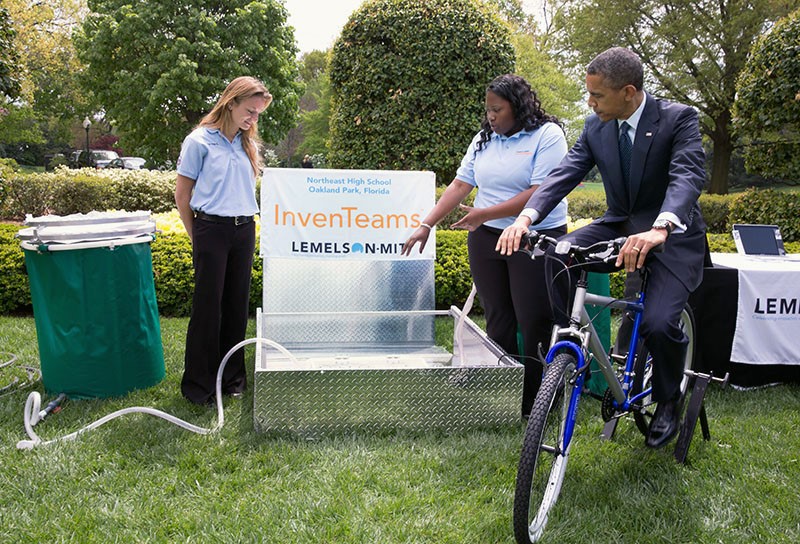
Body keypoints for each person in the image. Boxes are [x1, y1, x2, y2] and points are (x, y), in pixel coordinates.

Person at [497, 47, 707, 449]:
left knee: (659, 324)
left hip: (671, 235)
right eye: (589, 95)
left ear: (629, 92)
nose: (590, 104)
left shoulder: (678, 119)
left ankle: (667, 400)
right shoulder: (596, 128)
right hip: (619, 224)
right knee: (557, 252)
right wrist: (525, 218)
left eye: (597, 96)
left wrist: (661, 227)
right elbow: (563, 175)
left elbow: (687, 176)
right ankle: (570, 344)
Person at [402, 74, 568, 418]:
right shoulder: (484, 139)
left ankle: (541, 396)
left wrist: (484, 213)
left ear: (518, 107)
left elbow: (541, 191)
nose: (491, 117)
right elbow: (461, 184)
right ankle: (508, 387)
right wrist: (425, 224)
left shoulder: (547, 136)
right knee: (498, 316)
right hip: (486, 236)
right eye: (488, 110)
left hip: (534, 236)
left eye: (498, 109)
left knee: (533, 318)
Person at [174, 76, 273, 405]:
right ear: (230, 103)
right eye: (249, 110)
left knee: (235, 307)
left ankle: (233, 379)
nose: (252, 118)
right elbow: (182, 195)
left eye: (257, 114)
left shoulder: (248, 146)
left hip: (243, 231)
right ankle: (198, 386)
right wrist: (197, 237)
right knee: (207, 309)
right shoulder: (199, 141)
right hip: (211, 230)